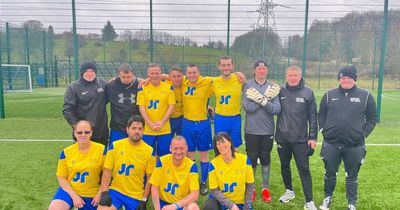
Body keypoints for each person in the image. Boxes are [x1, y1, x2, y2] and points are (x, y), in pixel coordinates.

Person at [318, 66, 377, 210]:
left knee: (352, 175)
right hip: (331, 143)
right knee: (330, 173)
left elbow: (372, 117)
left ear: (354, 79)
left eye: (348, 78)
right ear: (339, 79)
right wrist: (323, 129)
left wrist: (363, 134)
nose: (345, 80)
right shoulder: (328, 95)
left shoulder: (366, 96)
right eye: (342, 78)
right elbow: (321, 114)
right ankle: (327, 199)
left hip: (355, 145)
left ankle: (351, 203)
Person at [274, 65, 318, 210]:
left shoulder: (308, 92)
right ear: (286, 77)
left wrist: (313, 137)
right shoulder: (279, 91)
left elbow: (313, 117)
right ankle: (289, 191)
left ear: (300, 76)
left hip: (300, 139)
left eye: (295, 75)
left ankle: (309, 201)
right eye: (290, 75)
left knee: (304, 169)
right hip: (282, 138)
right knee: (285, 166)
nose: (292, 78)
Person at [98, 115, 156, 210]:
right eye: (133, 128)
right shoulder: (115, 146)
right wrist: (104, 193)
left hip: (135, 195)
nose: (137, 131)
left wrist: (144, 200)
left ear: (143, 131)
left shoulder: (149, 151)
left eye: (140, 129)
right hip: (116, 191)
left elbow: (150, 179)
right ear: (127, 130)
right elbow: (107, 171)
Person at [242, 60, 281, 203]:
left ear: (267, 71)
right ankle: (251, 189)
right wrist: (264, 100)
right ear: (254, 71)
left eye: (264, 68)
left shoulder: (273, 87)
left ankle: (265, 188)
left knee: (265, 158)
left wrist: (262, 100)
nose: (261, 70)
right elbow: (247, 107)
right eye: (259, 68)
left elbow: (277, 110)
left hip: (267, 130)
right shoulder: (247, 85)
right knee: (251, 159)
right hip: (251, 130)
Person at [48, 120, 106, 210]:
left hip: (92, 193)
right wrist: (74, 196)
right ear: (74, 133)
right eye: (79, 132)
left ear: (91, 133)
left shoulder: (101, 150)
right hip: (70, 190)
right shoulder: (66, 152)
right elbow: (61, 177)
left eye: (87, 132)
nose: (83, 135)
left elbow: (107, 175)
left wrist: (100, 194)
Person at [180, 64, 214, 195]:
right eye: (190, 73)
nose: (192, 75)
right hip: (187, 122)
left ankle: (204, 181)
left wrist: (238, 74)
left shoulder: (206, 82)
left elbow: (222, 79)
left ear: (199, 73)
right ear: (186, 74)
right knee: (190, 154)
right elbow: (169, 76)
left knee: (204, 153)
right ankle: (193, 181)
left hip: (203, 123)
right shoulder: (183, 81)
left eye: (195, 72)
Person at [203, 132, 254, 210]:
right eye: (218, 144)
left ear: (230, 143)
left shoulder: (244, 159)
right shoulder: (213, 164)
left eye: (223, 142)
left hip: (240, 201)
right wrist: (231, 205)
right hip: (222, 201)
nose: (221, 146)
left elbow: (250, 185)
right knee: (209, 206)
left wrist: (247, 206)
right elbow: (214, 190)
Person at [63, 61, 109, 146]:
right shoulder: (73, 87)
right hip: (83, 133)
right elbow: (67, 110)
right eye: (87, 71)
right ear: (82, 72)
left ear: (95, 72)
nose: (89, 74)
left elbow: (119, 85)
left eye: (92, 71)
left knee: (102, 158)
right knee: (82, 158)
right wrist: (77, 126)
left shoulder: (104, 84)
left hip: (101, 132)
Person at [149, 135, 200, 210]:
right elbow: (154, 187)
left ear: (186, 148)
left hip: (181, 204)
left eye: (181, 148)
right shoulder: (162, 161)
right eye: (175, 148)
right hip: (163, 203)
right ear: (170, 148)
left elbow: (195, 194)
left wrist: (175, 206)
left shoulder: (192, 166)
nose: (178, 152)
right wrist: (157, 208)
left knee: (194, 207)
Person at [137, 63, 175, 157]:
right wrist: (149, 123)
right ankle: (149, 172)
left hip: (164, 129)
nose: (154, 76)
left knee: (165, 156)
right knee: (148, 156)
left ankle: (162, 172)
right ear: (148, 75)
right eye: (152, 73)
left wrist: (162, 122)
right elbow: (141, 107)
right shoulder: (143, 88)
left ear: (160, 73)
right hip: (148, 129)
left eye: (157, 73)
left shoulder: (168, 87)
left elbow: (171, 106)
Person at [212, 56, 244, 150]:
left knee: (234, 147)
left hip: (235, 117)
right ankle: (220, 164)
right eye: (223, 65)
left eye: (228, 65)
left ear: (232, 66)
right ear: (219, 67)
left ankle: (233, 164)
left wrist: (239, 73)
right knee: (220, 146)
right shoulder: (214, 81)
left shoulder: (239, 80)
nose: (226, 68)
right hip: (220, 118)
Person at [106, 63, 140, 147]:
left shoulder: (140, 84)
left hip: (135, 127)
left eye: (128, 77)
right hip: (117, 128)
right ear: (119, 75)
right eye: (123, 77)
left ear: (133, 74)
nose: (126, 79)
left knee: (134, 152)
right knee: (114, 152)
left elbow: (155, 78)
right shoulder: (111, 85)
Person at [167, 66, 184, 136]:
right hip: (168, 119)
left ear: (182, 76)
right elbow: (158, 76)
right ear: (170, 77)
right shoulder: (166, 85)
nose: (176, 79)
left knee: (181, 141)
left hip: (182, 118)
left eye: (179, 76)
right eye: (174, 76)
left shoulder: (185, 84)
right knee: (168, 142)